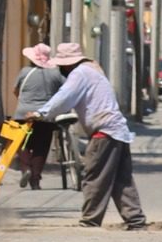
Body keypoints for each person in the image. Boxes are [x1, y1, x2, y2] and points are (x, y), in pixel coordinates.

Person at [28, 43, 147, 230]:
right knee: (121, 179)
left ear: (67, 64)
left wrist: (40, 113)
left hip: (104, 132)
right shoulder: (93, 70)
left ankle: (90, 220)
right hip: (118, 131)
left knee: (94, 177)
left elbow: (64, 97)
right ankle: (135, 220)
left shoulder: (80, 74)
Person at [13, 43, 60, 190]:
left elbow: (16, 90)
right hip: (45, 116)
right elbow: (64, 91)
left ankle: (26, 167)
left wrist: (24, 103)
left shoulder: (24, 72)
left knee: (21, 143)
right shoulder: (55, 74)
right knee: (41, 146)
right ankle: (35, 179)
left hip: (23, 114)